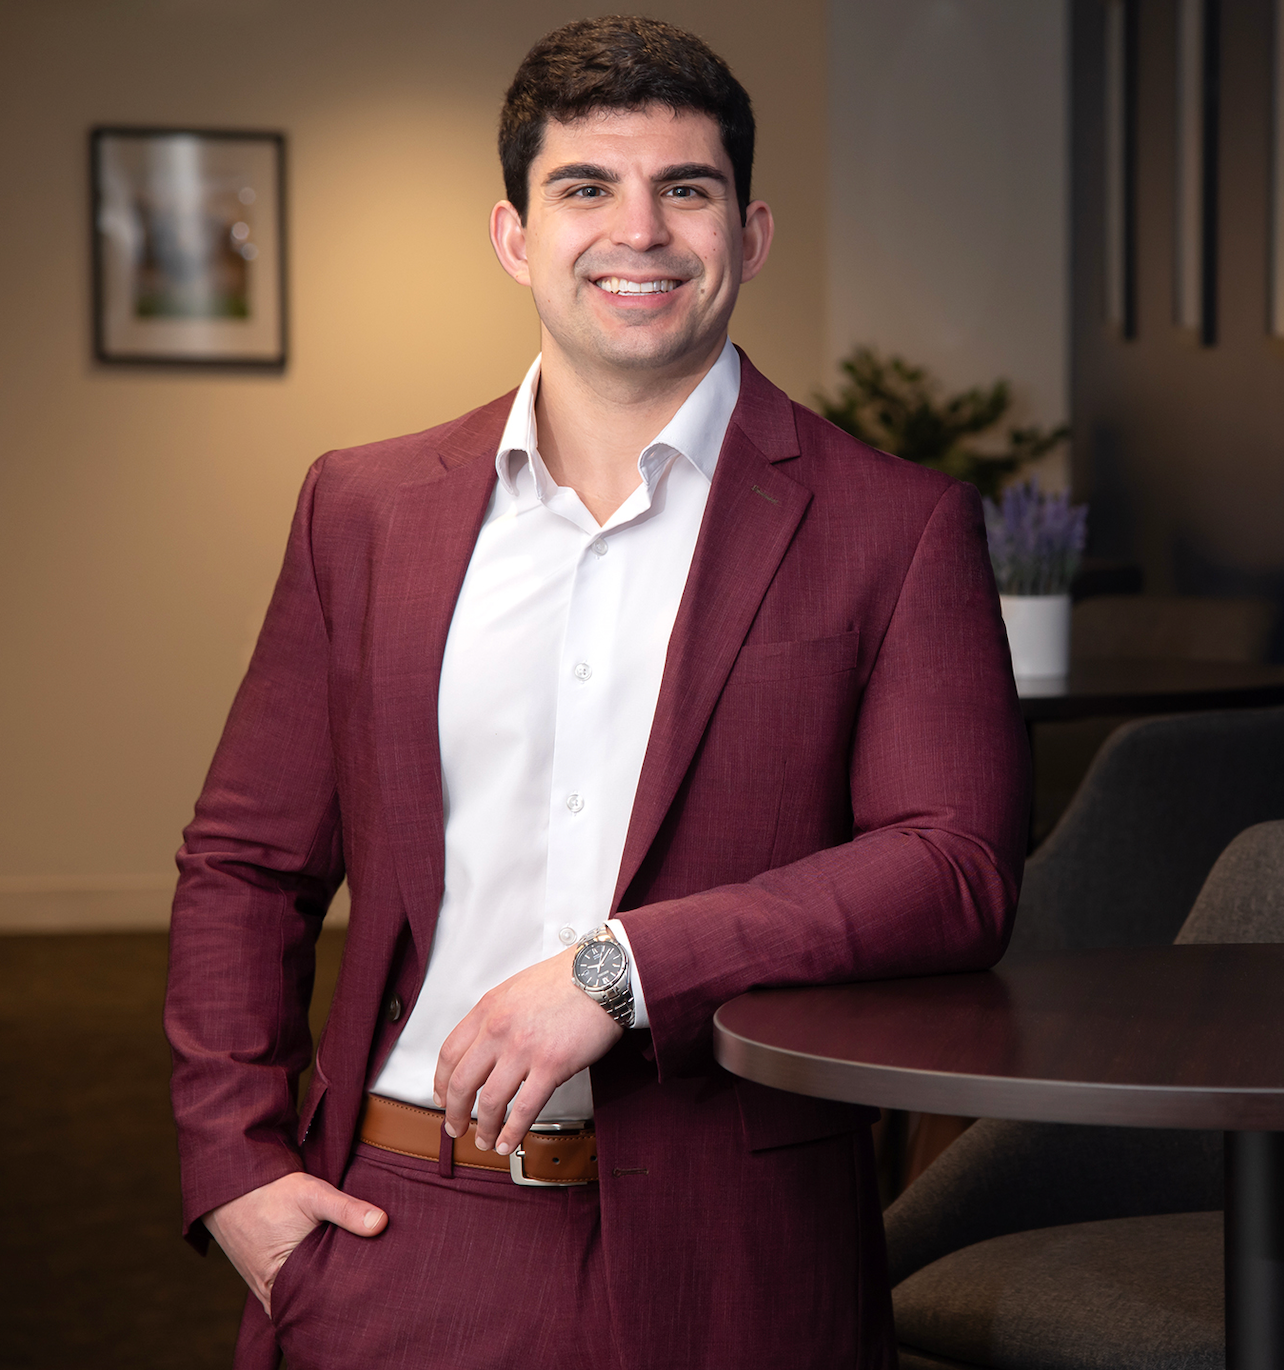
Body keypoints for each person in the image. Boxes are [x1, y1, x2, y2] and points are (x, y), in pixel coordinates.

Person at [164, 16, 1029, 1370]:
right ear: (514, 235)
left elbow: (956, 865)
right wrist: (234, 1168)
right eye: (586, 188)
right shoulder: (365, 510)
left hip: (737, 1247)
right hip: (400, 1228)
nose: (641, 229)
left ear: (751, 234)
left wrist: (622, 970)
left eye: (686, 189)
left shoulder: (894, 526)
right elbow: (246, 860)